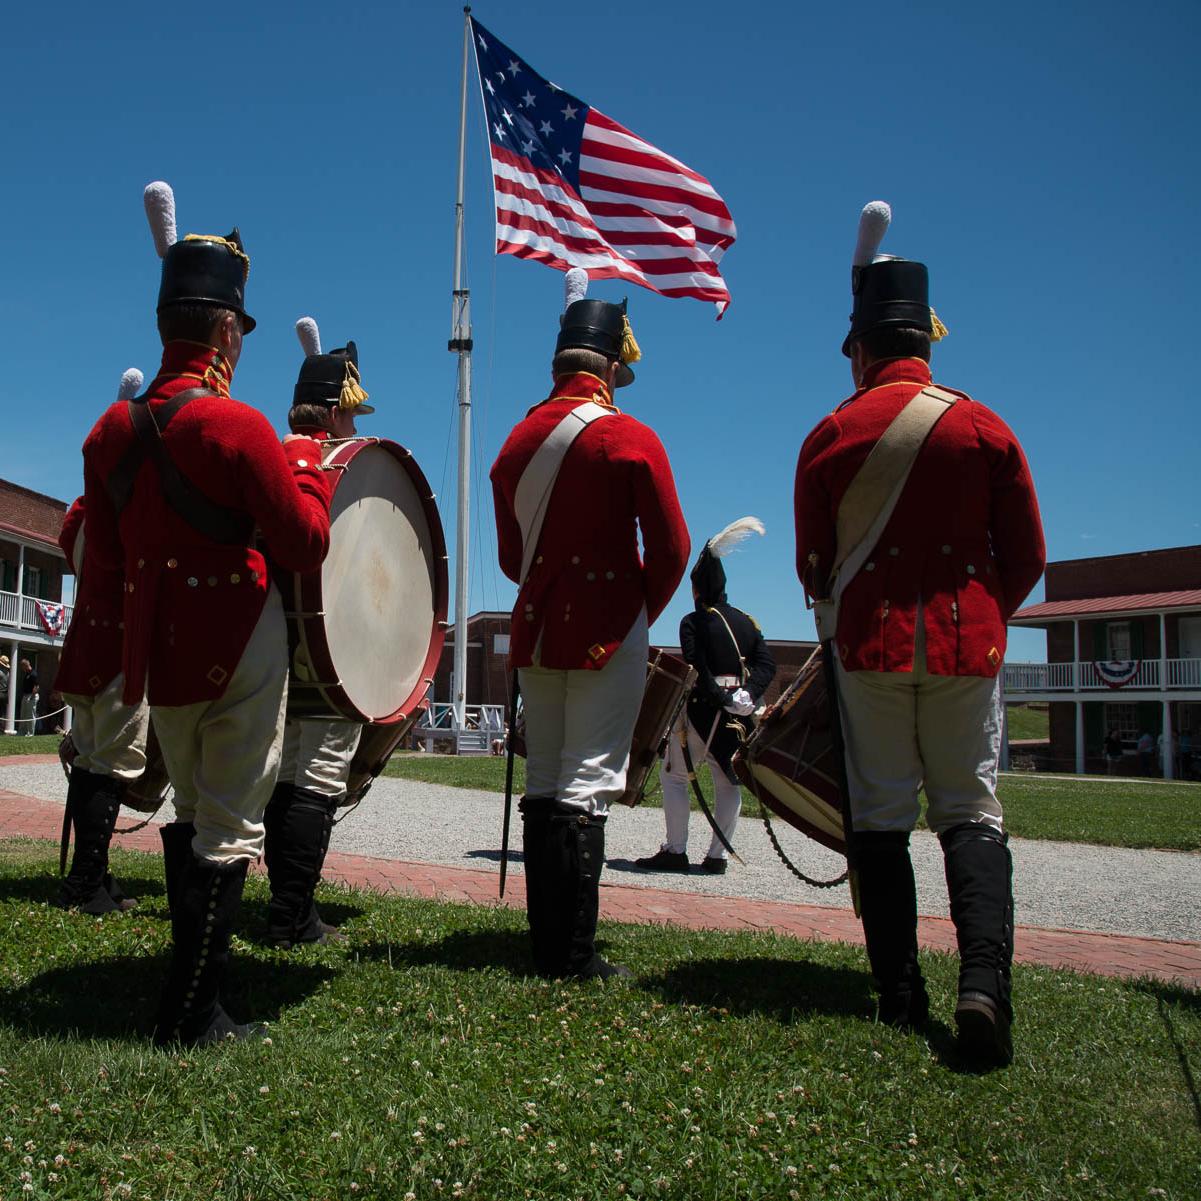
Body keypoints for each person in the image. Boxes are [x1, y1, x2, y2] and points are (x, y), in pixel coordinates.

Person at [81, 182, 332, 1045]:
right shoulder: (239, 426)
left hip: (164, 652)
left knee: (191, 813)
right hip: (240, 645)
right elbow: (304, 545)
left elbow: (106, 556)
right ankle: (191, 1012)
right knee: (224, 826)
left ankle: (185, 996)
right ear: (226, 329)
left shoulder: (107, 433)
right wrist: (307, 473)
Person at [794, 201, 1045, 1066]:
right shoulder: (983, 427)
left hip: (867, 646)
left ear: (860, 348)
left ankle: (899, 993)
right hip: (964, 646)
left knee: (882, 819)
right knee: (970, 812)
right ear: (926, 342)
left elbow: (813, 565)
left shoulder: (829, 433)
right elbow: (1026, 557)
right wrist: (976, 620)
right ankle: (982, 987)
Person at [490, 271, 689, 980]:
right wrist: (634, 611)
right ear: (608, 366)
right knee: (587, 782)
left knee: (544, 776)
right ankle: (570, 955)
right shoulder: (630, 437)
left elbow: (513, 558)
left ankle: (546, 943)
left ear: (557, 365)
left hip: (538, 626)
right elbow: (670, 549)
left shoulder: (516, 442)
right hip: (609, 624)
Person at [263, 318, 372, 950]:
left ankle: (285, 906)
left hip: (271, 648)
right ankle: (293, 916)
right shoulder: (345, 468)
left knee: (283, 772)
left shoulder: (269, 453)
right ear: (334, 415)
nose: (356, 430)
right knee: (320, 773)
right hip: (331, 654)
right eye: (351, 416)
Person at [54, 369, 151, 914]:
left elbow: (71, 550)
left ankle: (93, 878)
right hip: (120, 648)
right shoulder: (131, 512)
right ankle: (86, 883)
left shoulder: (82, 513)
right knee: (110, 763)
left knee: (92, 760)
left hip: (85, 645)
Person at [637, 518, 776, 874]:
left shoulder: (692, 621)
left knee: (675, 777)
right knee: (728, 781)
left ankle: (675, 849)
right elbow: (765, 664)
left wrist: (718, 696)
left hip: (702, 709)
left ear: (697, 589)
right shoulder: (748, 622)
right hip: (738, 714)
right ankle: (718, 856)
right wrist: (746, 694)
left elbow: (697, 666)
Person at [18, 658, 39, 735]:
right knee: (23, 714)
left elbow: (36, 687)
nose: (22, 669)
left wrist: (32, 697)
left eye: (22, 667)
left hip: (31, 696)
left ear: (25, 665)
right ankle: (22, 732)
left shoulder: (33, 674)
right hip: (26, 695)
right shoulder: (27, 673)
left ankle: (30, 733)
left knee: (30, 715)